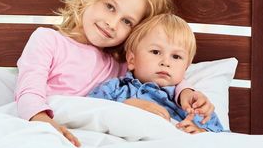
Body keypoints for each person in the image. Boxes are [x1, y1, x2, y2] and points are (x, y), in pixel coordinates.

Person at [14, 0, 214, 147]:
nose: (112, 23)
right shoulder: (48, 40)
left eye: (127, 21)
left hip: (92, 139)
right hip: (48, 128)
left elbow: (161, 72)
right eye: (110, 7)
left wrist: (186, 92)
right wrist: (44, 123)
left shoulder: (120, 64)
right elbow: (29, 93)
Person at [87, 13, 225, 133]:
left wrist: (200, 132)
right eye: (155, 52)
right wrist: (127, 106)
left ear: (185, 68)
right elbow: (86, 113)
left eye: (176, 56)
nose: (166, 62)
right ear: (132, 59)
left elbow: (221, 139)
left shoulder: (191, 104)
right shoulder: (114, 88)